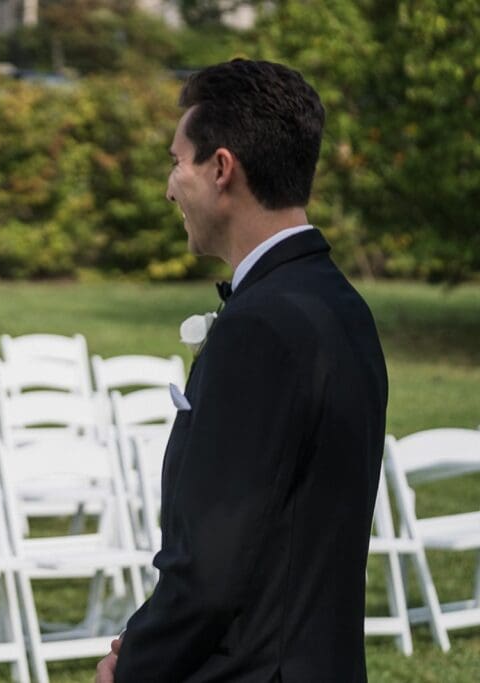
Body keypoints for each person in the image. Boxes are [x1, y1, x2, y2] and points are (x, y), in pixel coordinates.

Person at [96, 59, 388, 681]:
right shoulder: (342, 304)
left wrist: (135, 664)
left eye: (177, 163)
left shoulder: (260, 326)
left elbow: (211, 566)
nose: (170, 187)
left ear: (222, 168)